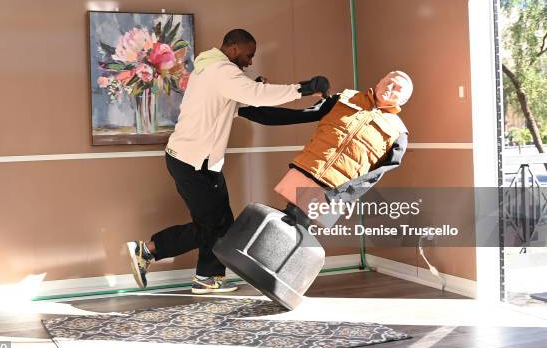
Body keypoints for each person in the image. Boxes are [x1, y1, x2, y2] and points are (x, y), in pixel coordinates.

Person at [126, 29, 330, 294]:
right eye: (248, 54)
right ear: (233, 48)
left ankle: (207, 278)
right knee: (212, 227)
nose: (249, 61)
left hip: (199, 161)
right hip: (192, 161)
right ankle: (149, 250)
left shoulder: (214, 73)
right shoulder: (221, 71)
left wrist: (313, 114)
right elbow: (257, 95)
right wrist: (305, 88)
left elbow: (261, 112)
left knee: (220, 225)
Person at [238, 71, 413, 220]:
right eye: (388, 82)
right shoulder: (344, 99)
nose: (390, 88)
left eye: (398, 88)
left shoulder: (399, 132)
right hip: (307, 169)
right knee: (287, 219)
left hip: (335, 189)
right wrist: (247, 110)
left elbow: (377, 174)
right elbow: (300, 115)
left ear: (403, 100)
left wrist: (344, 195)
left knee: (300, 228)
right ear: (379, 82)